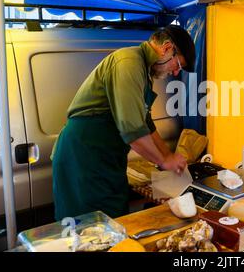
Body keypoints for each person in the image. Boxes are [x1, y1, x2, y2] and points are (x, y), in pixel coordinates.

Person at [52, 24, 196, 220]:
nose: (176, 73)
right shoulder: (128, 62)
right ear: (167, 48)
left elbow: (146, 123)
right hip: (84, 158)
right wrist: (164, 161)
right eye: (178, 65)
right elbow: (134, 131)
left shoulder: (144, 71)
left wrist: (168, 155)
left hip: (107, 160)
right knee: (89, 229)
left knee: (115, 220)